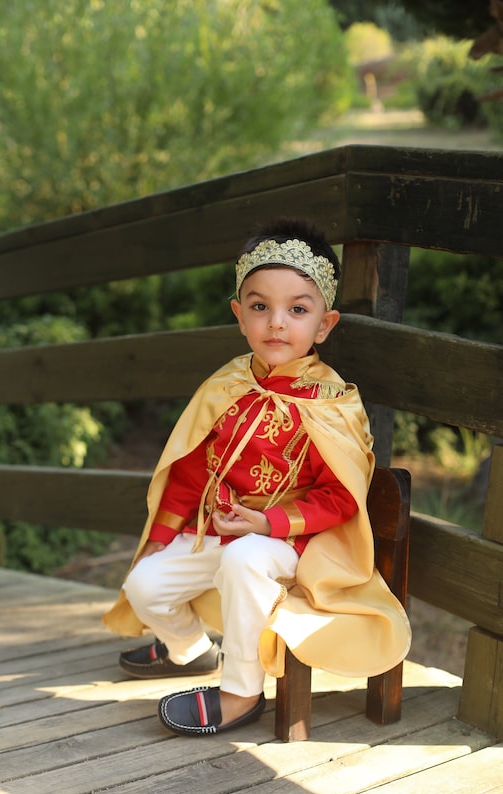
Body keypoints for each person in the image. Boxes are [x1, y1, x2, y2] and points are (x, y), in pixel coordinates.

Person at [102, 217, 411, 736]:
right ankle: (192, 650)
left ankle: (241, 691)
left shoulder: (333, 403)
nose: (276, 323)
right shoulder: (227, 384)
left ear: (325, 325)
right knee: (144, 585)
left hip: (293, 543)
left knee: (246, 557)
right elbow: (190, 469)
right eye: (260, 306)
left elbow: (339, 498)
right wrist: (159, 539)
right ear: (239, 314)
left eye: (297, 309)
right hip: (218, 529)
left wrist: (267, 523)